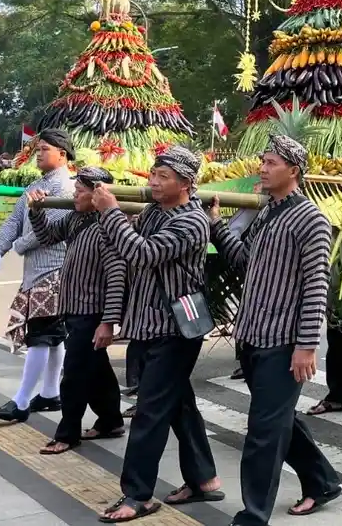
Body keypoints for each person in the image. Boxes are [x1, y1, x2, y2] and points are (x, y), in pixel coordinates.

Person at [210, 135, 342, 524]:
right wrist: (217, 226)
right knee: (278, 419)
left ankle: (253, 516)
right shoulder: (268, 214)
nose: (262, 169)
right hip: (253, 338)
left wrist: (306, 345)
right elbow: (246, 262)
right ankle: (322, 482)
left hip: (283, 344)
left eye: (270, 162)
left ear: (293, 170)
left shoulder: (311, 219)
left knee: (263, 432)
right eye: (262, 162)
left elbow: (318, 285)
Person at [97, 148, 223, 522]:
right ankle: (204, 480)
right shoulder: (154, 211)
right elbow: (121, 244)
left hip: (175, 329)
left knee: (150, 412)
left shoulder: (192, 223)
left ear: (185, 184)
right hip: (148, 326)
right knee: (179, 406)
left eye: (163, 176)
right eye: (153, 173)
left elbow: (141, 254)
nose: (153, 181)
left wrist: (109, 210)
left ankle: (137, 494)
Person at [24, 167, 126, 452]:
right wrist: (36, 210)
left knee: (74, 374)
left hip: (91, 313)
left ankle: (67, 433)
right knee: (97, 371)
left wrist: (108, 321)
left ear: (98, 194)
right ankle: (110, 420)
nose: (74, 195)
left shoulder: (108, 225)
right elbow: (46, 237)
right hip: (73, 308)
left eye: (80, 191)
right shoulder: (74, 218)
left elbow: (117, 273)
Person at [0, 130, 75, 422]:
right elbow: (14, 222)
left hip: (55, 271)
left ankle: (21, 401)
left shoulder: (66, 188)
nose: (38, 153)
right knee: (52, 336)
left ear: (62, 153)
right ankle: (50, 394)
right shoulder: (35, 186)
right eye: (38, 148)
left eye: (44, 149)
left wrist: (18, 246)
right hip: (36, 272)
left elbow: (46, 232)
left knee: (40, 336)